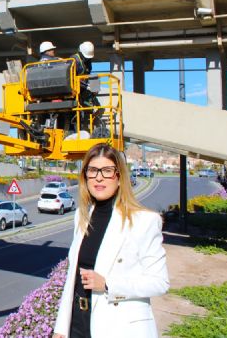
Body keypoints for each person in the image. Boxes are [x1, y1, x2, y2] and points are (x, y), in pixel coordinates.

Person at [53, 143, 169, 338]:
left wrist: (108, 285)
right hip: (78, 324)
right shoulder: (82, 217)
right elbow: (72, 280)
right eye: (93, 170)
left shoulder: (144, 221)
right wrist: (60, 329)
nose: (99, 177)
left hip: (118, 327)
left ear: (119, 177)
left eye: (107, 170)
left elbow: (159, 282)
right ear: (85, 177)